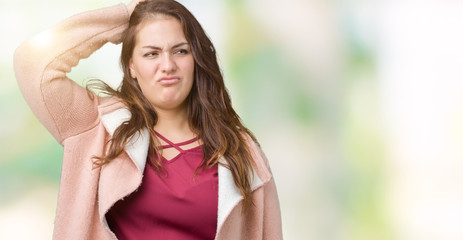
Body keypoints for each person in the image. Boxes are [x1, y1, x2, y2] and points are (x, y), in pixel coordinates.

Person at [14, 0, 282, 239]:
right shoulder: (99, 127)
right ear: (131, 65)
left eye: (180, 51)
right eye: (151, 53)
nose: (167, 65)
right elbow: (33, 62)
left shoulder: (240, 152)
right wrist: (130, 15)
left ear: (197, 59)